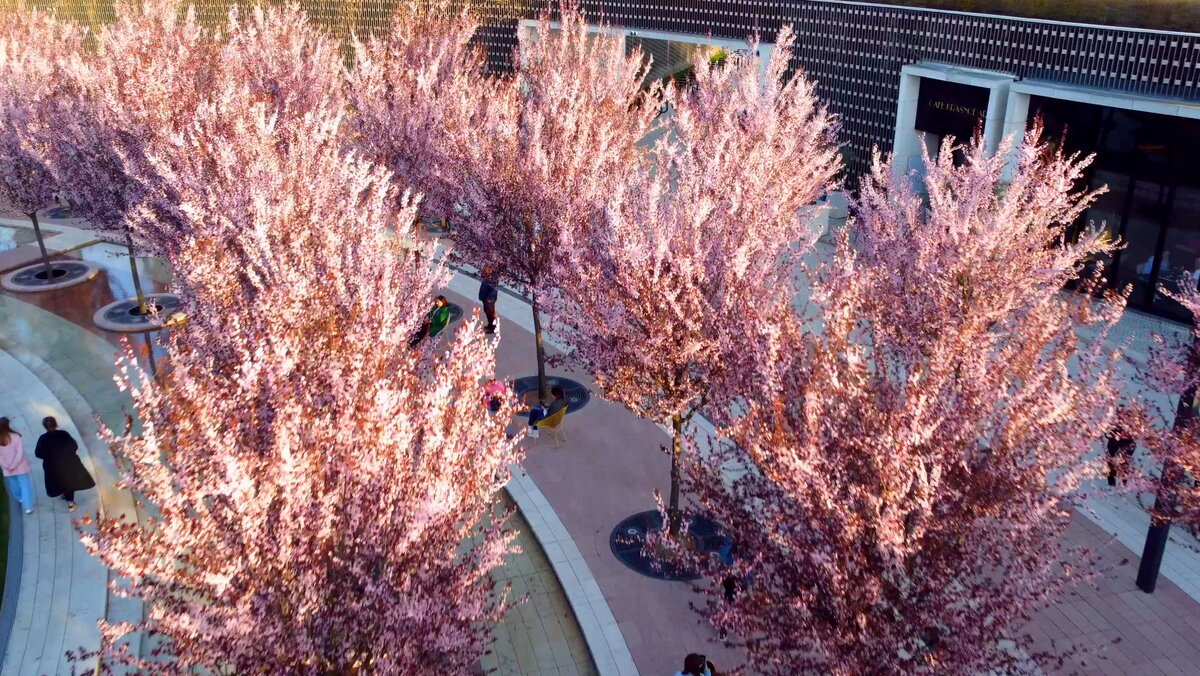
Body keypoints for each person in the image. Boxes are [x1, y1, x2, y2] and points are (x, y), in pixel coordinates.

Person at [34, 416, 95, 511]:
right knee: (69, 482)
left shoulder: (43, 439)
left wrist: (49, 456)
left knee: (59, 482)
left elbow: (38, 453)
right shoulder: (63, 434)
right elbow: (74, 446)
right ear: (56, 424)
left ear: (45, 427)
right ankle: (70, 503)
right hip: (69, 463)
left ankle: (65, 495)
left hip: (53, 466)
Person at [0, 418, 34, 514]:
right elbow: (20, 453)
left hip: (7, 470)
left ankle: (19, 498)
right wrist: (14, 465)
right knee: (25, 486)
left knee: (13, 484)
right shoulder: (15, 437)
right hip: (20, 467)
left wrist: (7, 466)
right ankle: (28, 507)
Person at [478, 268, 499, 335]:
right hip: (485, 298)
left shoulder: (492, 278)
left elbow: (494, 289)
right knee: (487, 312)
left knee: (490, 313)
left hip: (489, 300)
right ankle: (490, 325)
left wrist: (489, 298)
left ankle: (493, 328)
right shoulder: (488, 276)